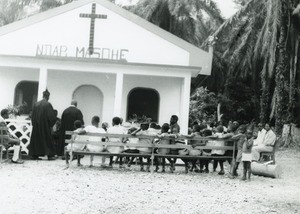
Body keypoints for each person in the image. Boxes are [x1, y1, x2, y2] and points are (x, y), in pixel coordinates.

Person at [29, 89, 57, 160]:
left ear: (43, 95)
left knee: (36, 140)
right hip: (45, 126)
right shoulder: (48, 104)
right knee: (47, 139)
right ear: (48, 97)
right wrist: (51, 124)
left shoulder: (36, 104)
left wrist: (34, 123)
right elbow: (51, 116)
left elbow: (33, 115)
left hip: (36, 126)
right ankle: (50, 155)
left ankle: (35, 155)